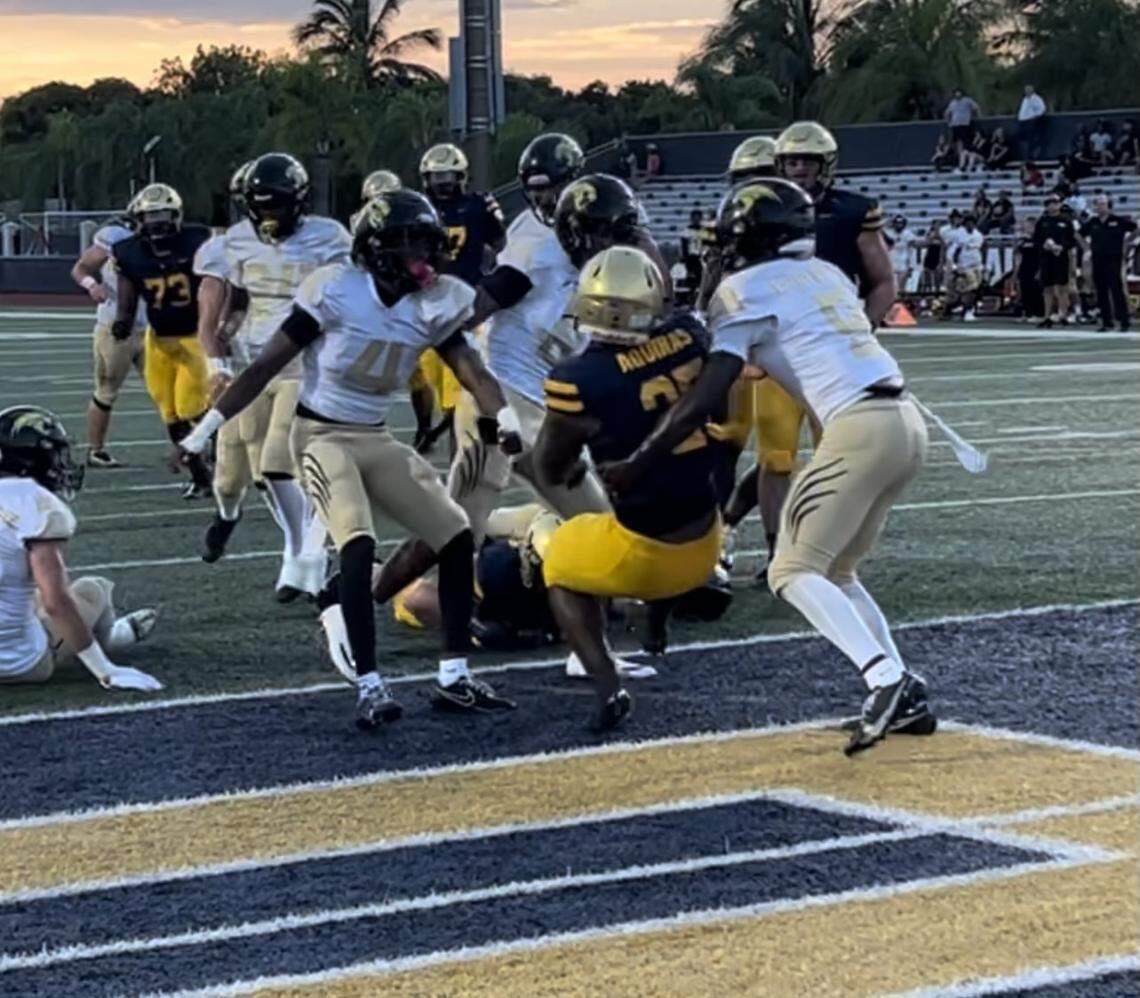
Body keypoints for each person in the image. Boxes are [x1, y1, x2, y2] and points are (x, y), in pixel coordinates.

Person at [603, 177, 934, 755]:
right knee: (837, 571)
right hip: (904, 421)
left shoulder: (743, 292)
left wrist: (640, 459)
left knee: (790, 572)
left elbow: (706, 396)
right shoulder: (826, 273)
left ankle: (886, 681)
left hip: (858, 428)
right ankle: (901, 686)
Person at [180, 190, 518, 728]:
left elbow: (473, 373)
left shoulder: (434, 304)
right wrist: (203, 432)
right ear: (375, 249)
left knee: (455, 537)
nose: (421, 260)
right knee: (357, 545)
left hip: (376, 436)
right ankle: (369, 685)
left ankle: (454, 676)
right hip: (321, 436)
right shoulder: (336, 291)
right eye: (407, 246)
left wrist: (508, 420)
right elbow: (262, 369)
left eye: (425, 246)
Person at [533, 246, 721, 729]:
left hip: (648, 556)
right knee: (651, 504)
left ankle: (607, 683)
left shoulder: (579, 377)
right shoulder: (688, 337)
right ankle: (656, 626)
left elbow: (550, 468)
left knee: (559, 562)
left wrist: (575, 456)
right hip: (707, 540)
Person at [193, 153, 350, 601]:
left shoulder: (329, 237)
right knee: (228, 478)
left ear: (298, 202)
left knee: (277, 464)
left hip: (305, 365)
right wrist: (216, 362)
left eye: (276, 205)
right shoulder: (232, 243)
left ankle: (303, 561)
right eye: (260, 206)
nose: (268, 215)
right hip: (249, 367)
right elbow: (215, 306)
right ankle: (228, 518)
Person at [0, 405, 160, 689]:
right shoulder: (36, 503)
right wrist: (105, 671)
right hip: (16, 661)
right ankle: (113, 638)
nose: (58, 463)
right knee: (91, 589)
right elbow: (56, 601)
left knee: (27, 593)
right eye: (52, 455)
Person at [112, 182, 214, 499]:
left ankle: (223, 451)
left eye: (163, 215)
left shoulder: (198, 241)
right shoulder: (128, 253)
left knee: (189, 408)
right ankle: (200, 475)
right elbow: (127, 294)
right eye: (150, 216)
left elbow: (218, 283)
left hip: (194, 338)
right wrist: (123, 321)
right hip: (159, 341)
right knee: (170, 414)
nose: (157, 223)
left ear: (177, 216)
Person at [418, 144, 507, 454]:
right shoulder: (420, 208)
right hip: (426, 307)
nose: (442, 183)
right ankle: (429, 432)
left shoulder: (478, 206)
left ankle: (463, 457)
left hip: (467, 306)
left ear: (461, 176)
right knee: (435, 389)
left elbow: (499, 241)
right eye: (436, 177)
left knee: (461, 395)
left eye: (448, 176)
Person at [70, 211, 147, 468]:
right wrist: (92, 285)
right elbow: (80, 268)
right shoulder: (114, 240)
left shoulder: (174, 244)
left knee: (173, 392)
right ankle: (96, 450)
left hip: (157, 329)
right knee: (106, 390)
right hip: (115, 326)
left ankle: (193, 450)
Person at [1082, 194, 1137, 330]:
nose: (1100, 207)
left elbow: (1136, 229)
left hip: (1113, 259)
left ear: (1109, 206)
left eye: (1102, 204)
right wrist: (1086, 247)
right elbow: (1078, 234)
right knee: (1101, 291)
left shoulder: (1118, 221)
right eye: (1098, 204)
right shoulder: (1093, 222)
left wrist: (1127, 242)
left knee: (1116, 289)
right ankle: (1106, 321)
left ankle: (1124, 320)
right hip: (1098, 259)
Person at [1033, 192, 1078, 327]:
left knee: (1062, 287)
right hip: (1046, 258)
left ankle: (1063, 314)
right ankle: (1047, 316)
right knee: (1047, 287)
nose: (1053, 205)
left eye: (1056, 202)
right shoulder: (1043, 221)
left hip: (1061, 257)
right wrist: (1044, 246)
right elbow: (1036, 240)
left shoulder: (1066, 220)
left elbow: (1072, 240)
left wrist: (1062, 247)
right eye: (1050, 203)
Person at [949, 214, 985, 322]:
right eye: (968, 223)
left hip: (976, 264)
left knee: (975, 288)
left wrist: (983, 263)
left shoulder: (978, 235)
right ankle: (967, 309)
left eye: (972, 223)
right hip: (965, 265)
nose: (970, 225)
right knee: (972, 286)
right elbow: (955, 251)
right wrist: (954, 266)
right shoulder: (959, 235)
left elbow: (981, 248)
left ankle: (964, 306)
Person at [1013, 217, 1044, 322]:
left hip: (1035, 267)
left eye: (1029, 226)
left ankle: (1038, 313)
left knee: (1035, 290)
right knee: (1024, 290)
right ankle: (1027, 312)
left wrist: (1040, 270)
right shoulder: (1023, 240)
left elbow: (1042, 256)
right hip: (1024, 267)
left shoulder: (1039, 239)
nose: (1027, 228)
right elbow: (1018, 255)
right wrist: (1016, 271)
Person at [944, 89, 981, 169]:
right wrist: (949, 122)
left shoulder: (967, 100)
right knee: (957, 143)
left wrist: (976, 115)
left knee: (966, 143)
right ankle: (960, 161)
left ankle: (968, 161)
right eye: (956, 93)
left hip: (965, 125)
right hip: (955, 125)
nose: (957, 95)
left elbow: (976, 107)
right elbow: (947, 113)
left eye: (959, 93)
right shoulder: (952, 103)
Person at [885, 215, 919, 292]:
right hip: (891, 263)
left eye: (900, 223)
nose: (898, 225)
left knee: (901, 288)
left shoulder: (908, 234)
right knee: (891, 287)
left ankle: (900, 303)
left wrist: (911, 265)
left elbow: (912, 250)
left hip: (903, 263)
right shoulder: (888, 233)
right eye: (897, 223)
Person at [1017, 85, 1047, 161]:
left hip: (1030, 121)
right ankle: (1024, 156)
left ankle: (1031, 156)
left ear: (1032, 91)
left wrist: (1035, 117)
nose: (1026, 92)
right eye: (1025, 90)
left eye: (1028, 90)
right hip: (1022, 121)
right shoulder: (1025, 99)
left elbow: (1042, 109)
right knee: (1023, 140)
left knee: (1031, 140)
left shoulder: (1036, 98)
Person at [919, 222, 944, 295]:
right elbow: (926, 243)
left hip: (937, 256)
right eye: (935, 225)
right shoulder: (929, 234)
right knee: (927, 275)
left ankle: (937, 291)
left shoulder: (942, 235)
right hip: (929, 255)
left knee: (937, 276)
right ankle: (928, 291)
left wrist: (939, 236)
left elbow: (944, 245)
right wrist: (932, 237)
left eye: (937, 226)